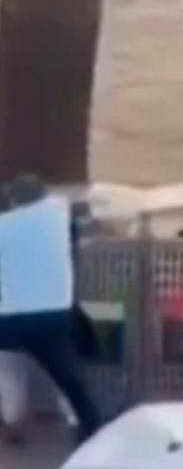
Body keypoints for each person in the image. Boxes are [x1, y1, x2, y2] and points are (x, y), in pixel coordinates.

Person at [0, 174, 100, 444]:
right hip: (54, 316)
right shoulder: (60, 213)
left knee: (9, 371)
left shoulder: (4, 226)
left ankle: (12, 421)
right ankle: (88, 427)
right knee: (70, 379)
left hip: (8, 318)